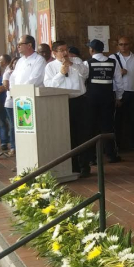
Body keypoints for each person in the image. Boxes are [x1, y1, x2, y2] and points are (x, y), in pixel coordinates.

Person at [44, 41, 90, 175]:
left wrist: (72, 65)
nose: (65, 53)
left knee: (83, 134)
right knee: (68, 134)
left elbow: (85, 73)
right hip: (62, 102)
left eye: (66, 50)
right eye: (61, 50)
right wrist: (60, 74)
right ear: (54, 53)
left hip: (80, 100)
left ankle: (84, 166)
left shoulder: (76, 60)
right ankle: (72, 166)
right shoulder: (50, 67)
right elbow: (48, 85)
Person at [84, 39, 122, 164]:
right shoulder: (113, 62)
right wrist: (119, 97)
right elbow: (119, 82)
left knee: (91, 127)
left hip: (91, 99)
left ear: (92, 50)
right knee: (108, 127)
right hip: (108, 98)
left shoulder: (87, 63)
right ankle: (111, 155)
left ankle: (91, 158)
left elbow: (83, 80)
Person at [112, 36, 134, 151]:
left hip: (133, 93)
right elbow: (108, 77)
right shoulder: (113, 58)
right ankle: (118, 145)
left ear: (130, 45)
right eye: (121, 44)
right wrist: (119, 73)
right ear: (117, 45)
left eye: (126, 44)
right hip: (118, 94)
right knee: (118, 120)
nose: (123, 47)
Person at [2, 57, 18, 152]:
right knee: (13, 125)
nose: (16, 65)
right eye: (14, 63)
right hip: (10, 103)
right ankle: (13, 146)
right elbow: (6, 86)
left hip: (22, 102)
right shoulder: (8, 73)